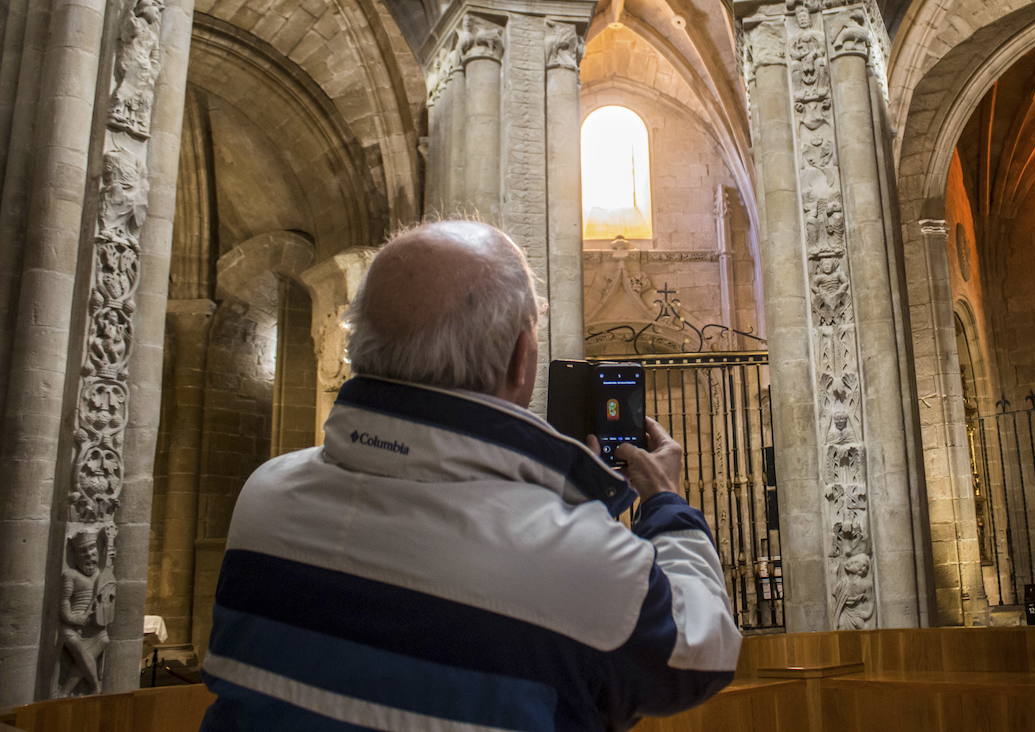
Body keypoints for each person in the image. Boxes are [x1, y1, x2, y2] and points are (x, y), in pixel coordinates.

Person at [200, 220, 741, 731]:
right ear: (521, 361)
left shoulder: (265, 497)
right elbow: (701, 652)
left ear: (358, 343)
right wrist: (666, 504)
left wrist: (566, 513)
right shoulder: (577, 561)